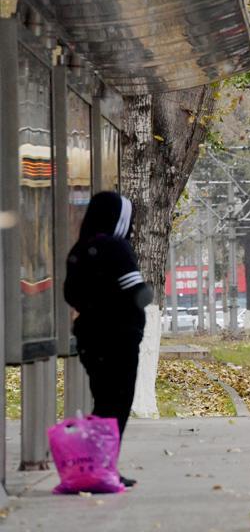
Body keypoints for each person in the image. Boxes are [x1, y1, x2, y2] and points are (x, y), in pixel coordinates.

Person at [64, 192, 152, 489]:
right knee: (117, 403)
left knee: (103, 400)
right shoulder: (116, 248)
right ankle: (102, 467)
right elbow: (136, 292)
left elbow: (70, 294)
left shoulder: (79, 249)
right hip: (119, 338)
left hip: (90, 338)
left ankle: (97, 466)